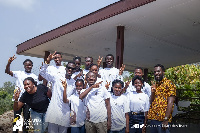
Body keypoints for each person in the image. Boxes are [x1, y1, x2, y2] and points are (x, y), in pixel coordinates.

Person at [40, 51, 76, 133]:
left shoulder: (74, 84)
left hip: (65, 113)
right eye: (69, 68)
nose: (70, 70)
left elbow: (69, 100)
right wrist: (47, 62)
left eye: (72, 69)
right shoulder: (57, 78)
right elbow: (42, 73)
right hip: (54, 111)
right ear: (65, 68)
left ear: (74, 71)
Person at [5, 55, 38, 133]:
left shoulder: (34, 76)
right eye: (26, 65)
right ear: (24, 66)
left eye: (29, 65)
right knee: (16, 118)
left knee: (26, 119)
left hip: (28, 100)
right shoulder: (19, 73)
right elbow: (7, 71)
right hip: (18, 99)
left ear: (32, 66)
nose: (28, 66)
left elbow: (35, 88)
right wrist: (9, 63)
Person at [148, 64, 176, 133]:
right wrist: (153, 92)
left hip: (163, 120)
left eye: (158, 71)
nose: (156, 73)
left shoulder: (169, 84)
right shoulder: (156, 85)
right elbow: (151, 101)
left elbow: (170, 103)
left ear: (163, 72)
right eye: (154, 72)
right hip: (153, 119)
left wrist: (166, 119)